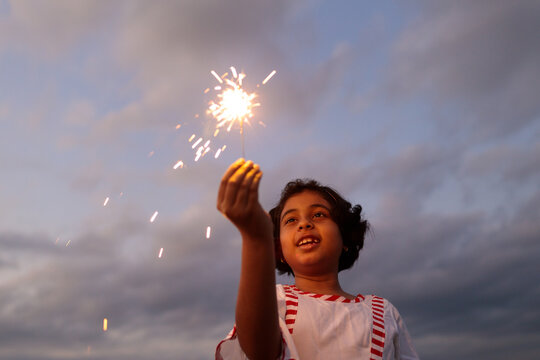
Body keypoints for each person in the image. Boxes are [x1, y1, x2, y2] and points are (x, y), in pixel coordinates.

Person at [215, 158, 419, 360]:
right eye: (291, 220)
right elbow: (259, 350)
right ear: (278, 250)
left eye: (319, 215)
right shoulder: (273, 301)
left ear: (345, 238)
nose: (304, 224)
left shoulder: (383, 312)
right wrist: (257, 239)